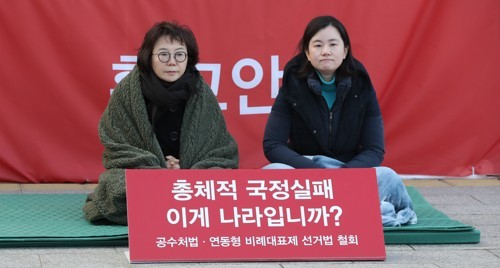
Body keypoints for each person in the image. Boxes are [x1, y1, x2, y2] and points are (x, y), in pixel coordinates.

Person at [263, 15, 416, 227]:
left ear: (344, 51)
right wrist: (316, 174)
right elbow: (273, 145)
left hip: (350, 172)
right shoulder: (293, 85)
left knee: (388, 176)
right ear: (307, 53)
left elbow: (374, 149)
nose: (326, 51)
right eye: (317, 45)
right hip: (306, 173)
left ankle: (320, 211)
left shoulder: (361, 86)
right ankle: (357, 210)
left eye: (333, 44)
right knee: (273, 173)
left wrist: (345, 177)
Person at [83, 21, 239, 225]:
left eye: (180, 55)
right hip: (143, 172)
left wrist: (184, 167)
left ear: (188, 58)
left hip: (191, 172)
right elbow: (116, 143)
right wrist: (159, 167)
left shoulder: (201, 92)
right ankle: (175, 204)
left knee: (222, 183)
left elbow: (218, 146)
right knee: (117, 186)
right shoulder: (128, 91)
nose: (172, 62)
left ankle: (164, 202)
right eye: (164, 54)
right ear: (149, 57)